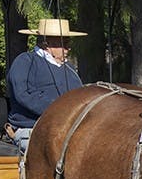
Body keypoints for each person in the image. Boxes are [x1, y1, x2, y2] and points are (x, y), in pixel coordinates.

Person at [5, 18, 85, 153]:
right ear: (47, 44)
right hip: (33, 130)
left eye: (68, 43)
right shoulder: (25, 61)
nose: (68, 48)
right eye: (64, 44)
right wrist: (60, 110)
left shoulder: (70, 70)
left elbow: (80, 98)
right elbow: (24, 95)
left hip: (69, 130)